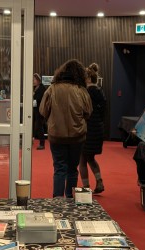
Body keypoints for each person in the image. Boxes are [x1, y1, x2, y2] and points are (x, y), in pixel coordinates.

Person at [39, 59, 92, 198]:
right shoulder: (82, 90)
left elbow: (43, 111)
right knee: (73, 169)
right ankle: (69, 199)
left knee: (59, 168)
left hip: (56, 135)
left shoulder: (52, 89)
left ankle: (57, 200)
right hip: (77, 136)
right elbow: (88, 112)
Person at [79, 63, 106, 194]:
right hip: (98, 129)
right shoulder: (101, 92)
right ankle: (99, 180)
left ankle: (85, 187)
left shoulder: (85, 93)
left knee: (82, 160)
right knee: (91, 158)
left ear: (88, 79)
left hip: (87, 130)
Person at [33, 73, 46, 150]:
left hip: (40, 110)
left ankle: (42, 143)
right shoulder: (35, 88)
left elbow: (40, 99)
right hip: (35, 109)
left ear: (38, 80)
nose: (33, 81)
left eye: (34, 79)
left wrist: (33, 96)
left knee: (39, 126)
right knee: (35, 125)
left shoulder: (42, 88)